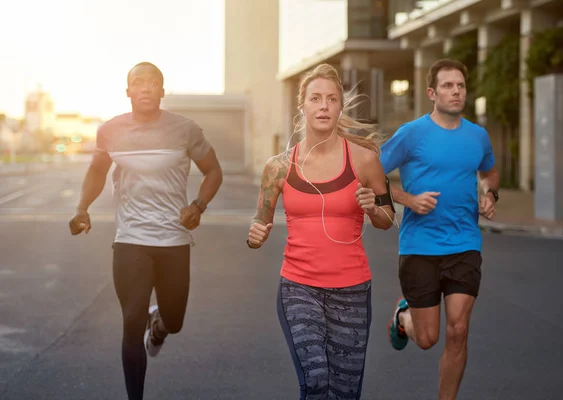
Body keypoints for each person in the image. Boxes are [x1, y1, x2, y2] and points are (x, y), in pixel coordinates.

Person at [68, 62, 223, 400]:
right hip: (130, 240)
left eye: (153, 83)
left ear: (162, 91)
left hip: (174, 240)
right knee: (130, 321)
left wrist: (198, 206)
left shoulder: (185, 129)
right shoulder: (110, 131)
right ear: (128, 91)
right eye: (138, 83)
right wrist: (82, 208)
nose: (146, 88)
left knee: (175, 319)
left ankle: (161, 326)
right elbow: (96, 171)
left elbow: (213, 171)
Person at [246, 63, 396, 400]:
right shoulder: (278, 167)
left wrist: (373, 207)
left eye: (331, 99)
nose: (324, 105)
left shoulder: (364, 160)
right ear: (303, 107)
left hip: (352, 290)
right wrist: (255, 233)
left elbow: (388, 218)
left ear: (340, 106)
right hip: (299, 287)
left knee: (344, 392)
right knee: (315, 381)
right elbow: (260, 219)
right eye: (316, 98)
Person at [381, 58, 500, 400]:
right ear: (432, 93)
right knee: (427, 339)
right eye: (448, 85)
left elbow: (490, 173)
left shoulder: (478, 136)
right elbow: (369, 175)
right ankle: (404, 317)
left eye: (460, 85)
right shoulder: (411, 134)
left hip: (464, 243)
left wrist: (489, 194)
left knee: (459, 329)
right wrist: (408, 199)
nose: (456, 91)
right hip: (419, 246)